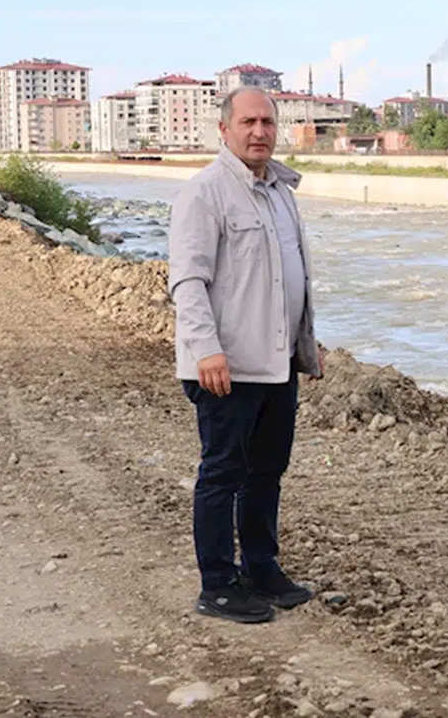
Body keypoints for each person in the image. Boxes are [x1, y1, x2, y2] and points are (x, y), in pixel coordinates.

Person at [167, 86, 324, 624]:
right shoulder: (206, 194)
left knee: (267, 472)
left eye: (267, 122)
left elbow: (289, 273)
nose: (259, 131)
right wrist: (206, 350)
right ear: (224, 129)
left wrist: (305, 346)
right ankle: (217, 583)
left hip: (276, 365)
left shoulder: (280, 190)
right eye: (248, 122)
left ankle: (261, 568)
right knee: (223, 472)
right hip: (226, 368)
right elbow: (188, 282)